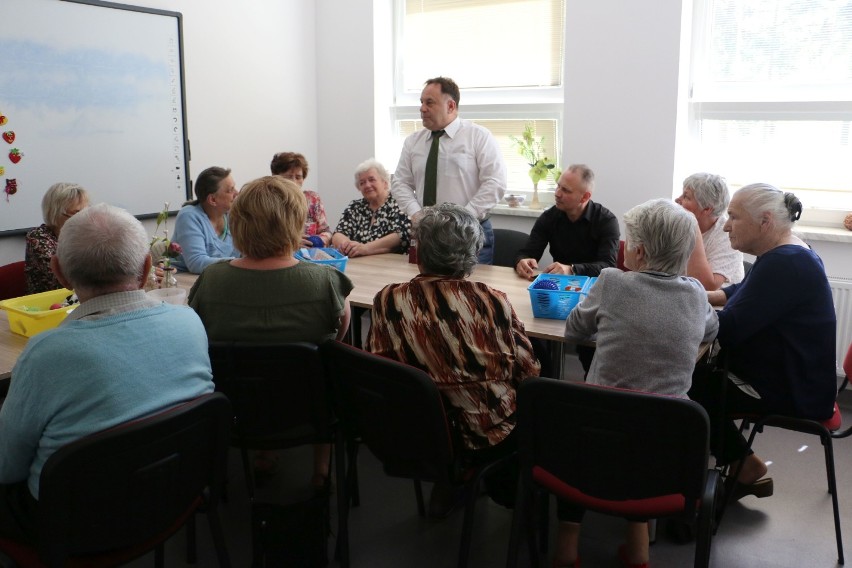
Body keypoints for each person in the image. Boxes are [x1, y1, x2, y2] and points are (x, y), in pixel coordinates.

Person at [0, 203, 214, 544]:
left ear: (59, 272)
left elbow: (6, 466)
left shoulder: (45, 353)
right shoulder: (189, 321)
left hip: (75, 529)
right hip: (175, 495)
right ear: (147, 267)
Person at [554, 198, 718, 568]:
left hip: (594, 436)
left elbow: (575, 328)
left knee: (583, 420)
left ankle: (566, 543)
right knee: (641, 418)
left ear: (639, 251)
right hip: (664, 449)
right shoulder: (694, 293)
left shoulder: (612, 282)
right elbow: (711, 328)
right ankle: (639, 548)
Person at [367, 203, 539, 517]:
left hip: (418, 431)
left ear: (419, 250)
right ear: (472, 253)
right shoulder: (490, 302)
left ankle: (452, 482)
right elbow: (529, 373)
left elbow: (382, 367)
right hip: (487, 434)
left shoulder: (388, 300)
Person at [189, 175, 352, 487]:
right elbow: (339, 334)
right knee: (322, 364)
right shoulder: (325, 280)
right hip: (309, 404)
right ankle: (320, 471)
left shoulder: (210, 280)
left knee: (252, 365)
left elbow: (200, 335)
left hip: (235, 404)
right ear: (294, 224)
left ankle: (263, 454)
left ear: (238, 223)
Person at [691, 183, 836, 502]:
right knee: (696, 379)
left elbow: (727, 330)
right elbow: (747, 289)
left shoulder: (785, 263)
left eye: (733, 217)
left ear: (765, 220)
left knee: (687, 389)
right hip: (801, 376)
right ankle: (743, 463)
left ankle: (739, 469)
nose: (726, 225)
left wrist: (683, 307)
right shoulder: (789, 248)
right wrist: (712, 295)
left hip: (794, 389)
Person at [391, 76, 506, 264]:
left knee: (469, 292)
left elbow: (495, 182)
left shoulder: (478, 136)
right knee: (426, 290)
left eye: (429, 102)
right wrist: (417, 215)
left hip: (468, 234)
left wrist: (461, 219)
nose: (422, 108)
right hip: (427, 235)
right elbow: (400, 183)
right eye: (421, 102)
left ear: (451, 106)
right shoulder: (413, 142)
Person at [515, 164, 619, 279]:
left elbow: (608, 267)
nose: (557, 193)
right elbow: (528, 253)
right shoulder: (549, 217)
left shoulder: (606, 221)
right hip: (559, 286)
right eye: (558, 186)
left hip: (594, 288)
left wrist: (571, 269)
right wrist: (522, 261)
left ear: (584, 197)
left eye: (565, 190)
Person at [676, 172, 744, 290]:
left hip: (715, 305)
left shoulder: (728, 234)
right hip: (683, 297)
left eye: (686, 197)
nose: (677, 199)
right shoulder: (677, 224)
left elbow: (706, 286)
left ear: (707, 208)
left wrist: (693, 229)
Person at [332, 158, 411, 257]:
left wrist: (365, 248)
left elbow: (400, 236)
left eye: (371, 180)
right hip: (359, 265)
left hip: (391, 266)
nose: (367, 185)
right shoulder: (355, 207)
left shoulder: (399, 203)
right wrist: (349, 246)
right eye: (362, 183)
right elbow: (338, 234)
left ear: (385, 182)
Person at [171, 166, 240, 273]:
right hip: (185, 281)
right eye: (230, 190)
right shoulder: (189, 216)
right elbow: (196, 263)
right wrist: (241, 263)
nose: (237, 192)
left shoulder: (234, 215)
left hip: (222, 277)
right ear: (212, 199)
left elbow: (249, 251)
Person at [24, 182, 89, 294]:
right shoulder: (38, 238)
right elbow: (64, 279)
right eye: (77, 213)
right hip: (51, 304)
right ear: (55, 212)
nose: (84, 218)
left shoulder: (85, 234)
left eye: (86, 212)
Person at [270, 152, 332, 248]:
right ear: (275, 177)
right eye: (288, 177)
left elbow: (326, 232)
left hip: (310, 255)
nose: (294, 182)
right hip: (280, 258)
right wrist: (289, 244)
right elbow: (259, 238)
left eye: (298, 177)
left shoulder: (313, 199)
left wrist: (314, 242)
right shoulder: (267, 202)